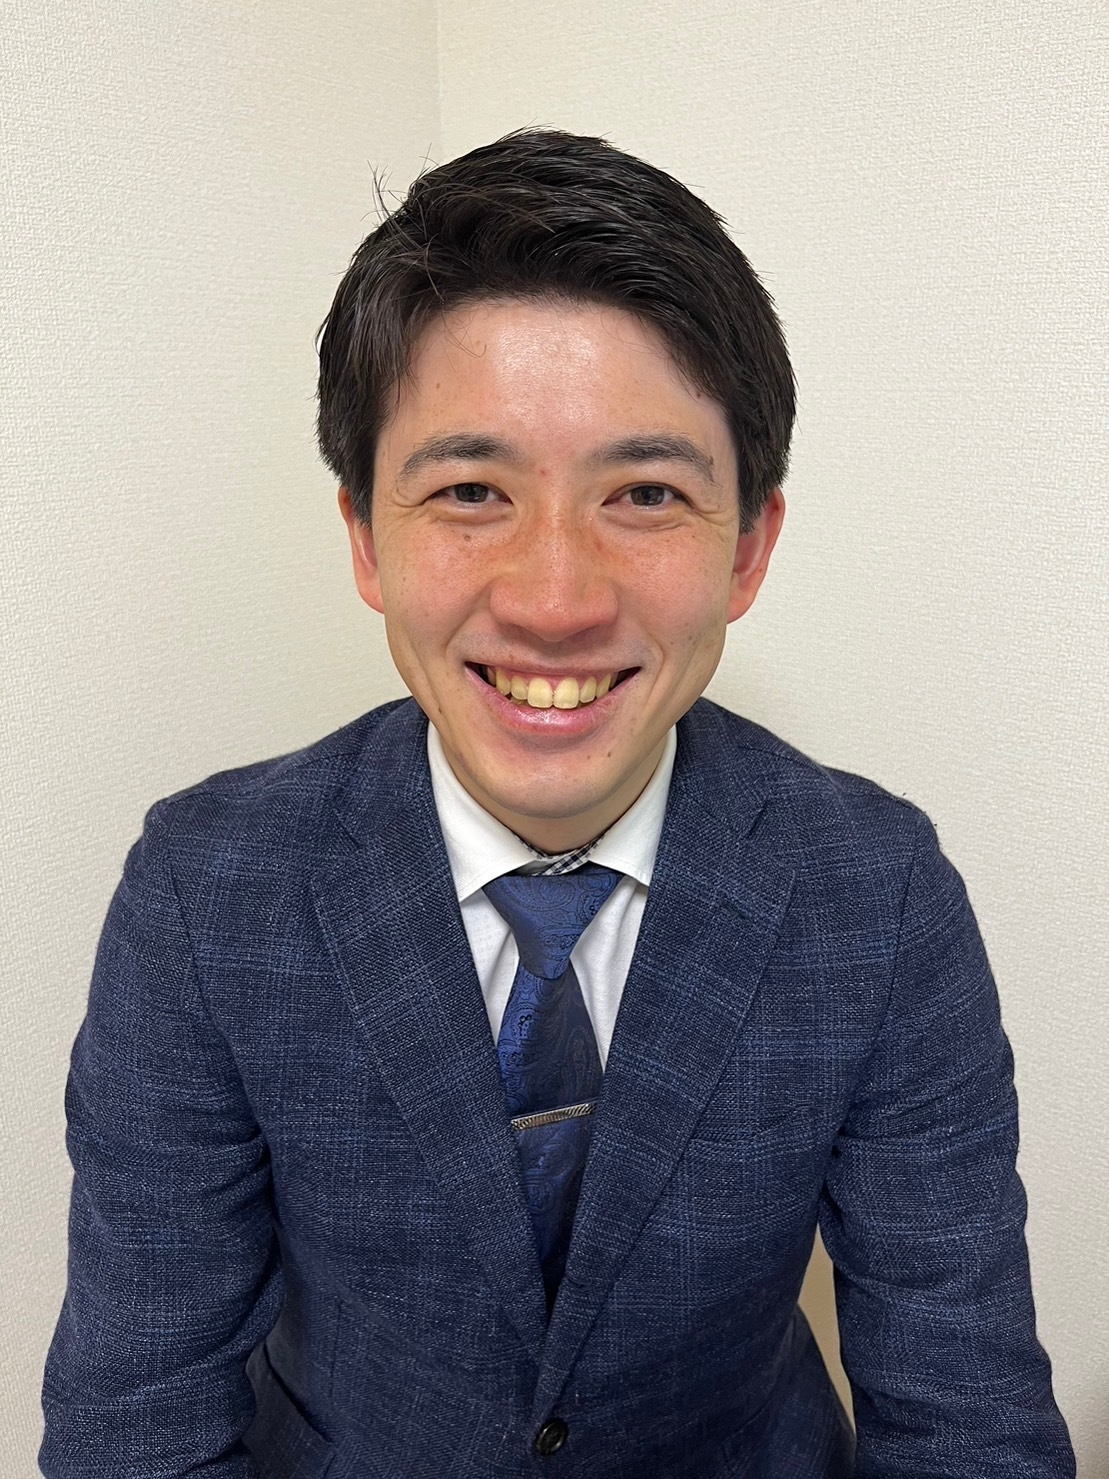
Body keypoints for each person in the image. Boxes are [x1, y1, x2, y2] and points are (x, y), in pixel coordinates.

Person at [40, 129, 1074, 1478]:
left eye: (644, 493)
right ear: (363, 537)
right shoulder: (206, 891)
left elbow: (966, 1425)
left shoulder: (875, 893)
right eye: (471, 491)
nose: (555, 599)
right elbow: (138, 1424)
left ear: (749, 547)